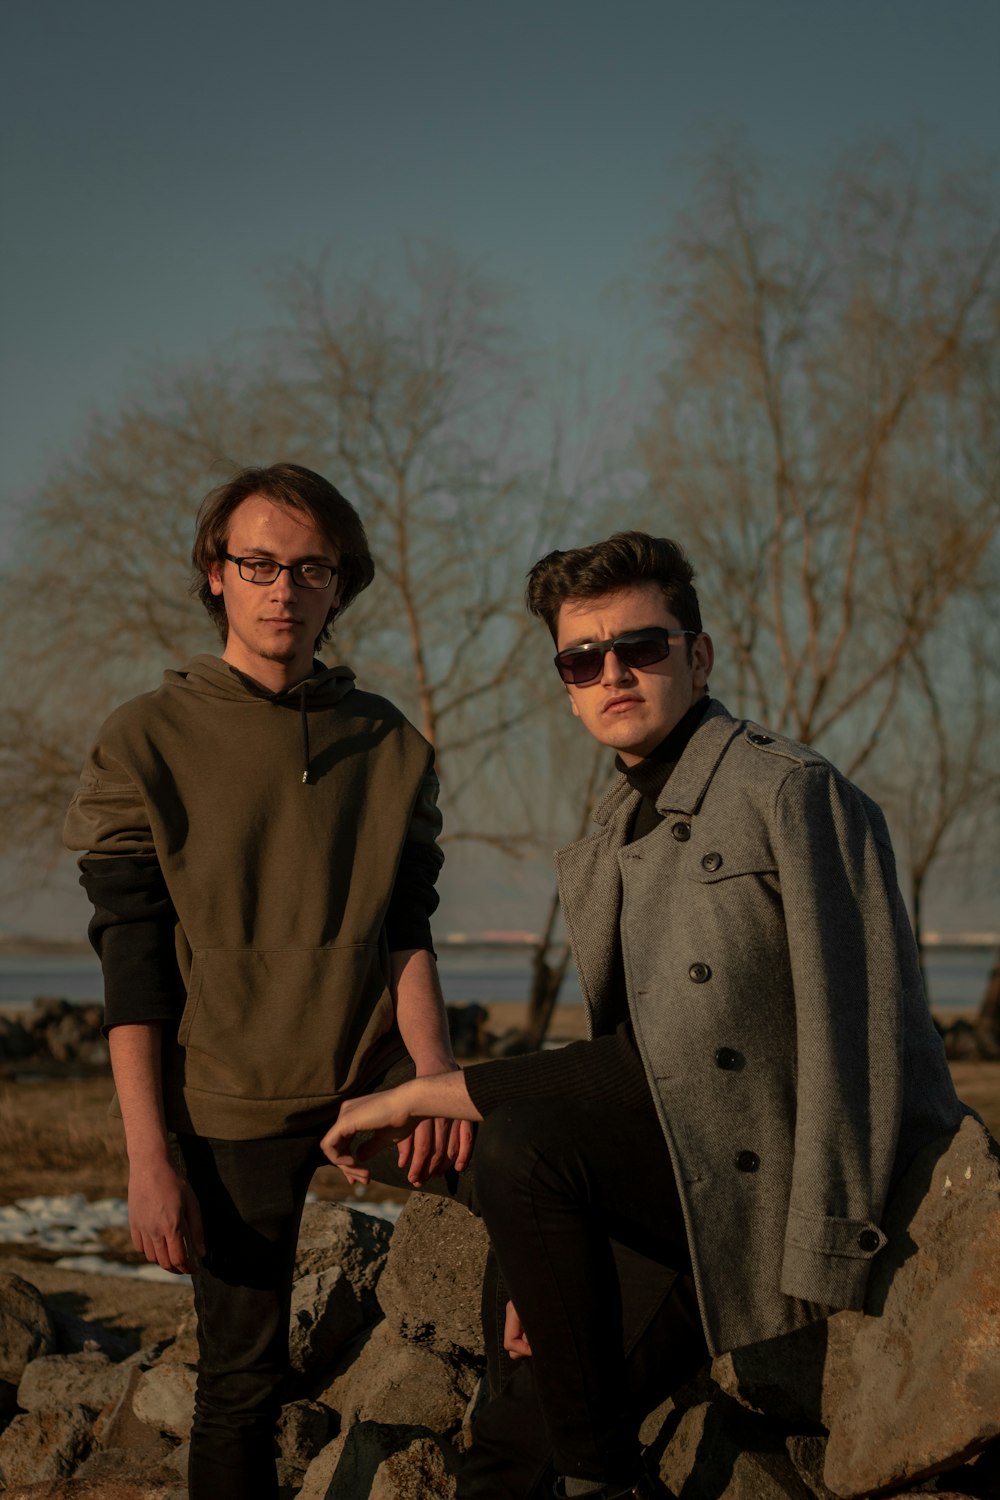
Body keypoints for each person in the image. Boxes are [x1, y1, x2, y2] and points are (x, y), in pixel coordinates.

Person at [322, 530, 967, 1500]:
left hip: (766, 1201)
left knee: (512, 1153)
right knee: (510, 1417)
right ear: (568, 683)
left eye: (642, 647)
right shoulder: (607, 839)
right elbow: (632, 1071)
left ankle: (601, 1482)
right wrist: (545, 1266)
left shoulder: (791, 795)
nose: (612, 673)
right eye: (583, 660)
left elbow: (868, 1038)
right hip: (671, 1179)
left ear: (697, 655)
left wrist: (438, 1091)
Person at [63, 463, 472, 1500]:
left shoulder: (388, 743)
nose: (282, 587)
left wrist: (433, 1074)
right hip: (222, 1106)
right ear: (216, 575)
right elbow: (135, 968)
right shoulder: (144, 741)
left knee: (532, 1192)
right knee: (240, 1384)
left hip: (370, 1073)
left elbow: (404, 927)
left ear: (340, 586)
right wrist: (148, 1158)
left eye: (309, 568)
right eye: (258, 564)